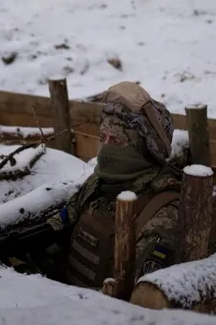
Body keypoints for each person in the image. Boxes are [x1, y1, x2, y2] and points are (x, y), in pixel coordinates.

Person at [44, 81, 184, 288]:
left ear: (144, 151)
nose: (106, 148)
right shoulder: (98, 183)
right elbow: (63, 221)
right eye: (103, 138)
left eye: (117, 141)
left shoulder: (163, 209)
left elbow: (139, 292)